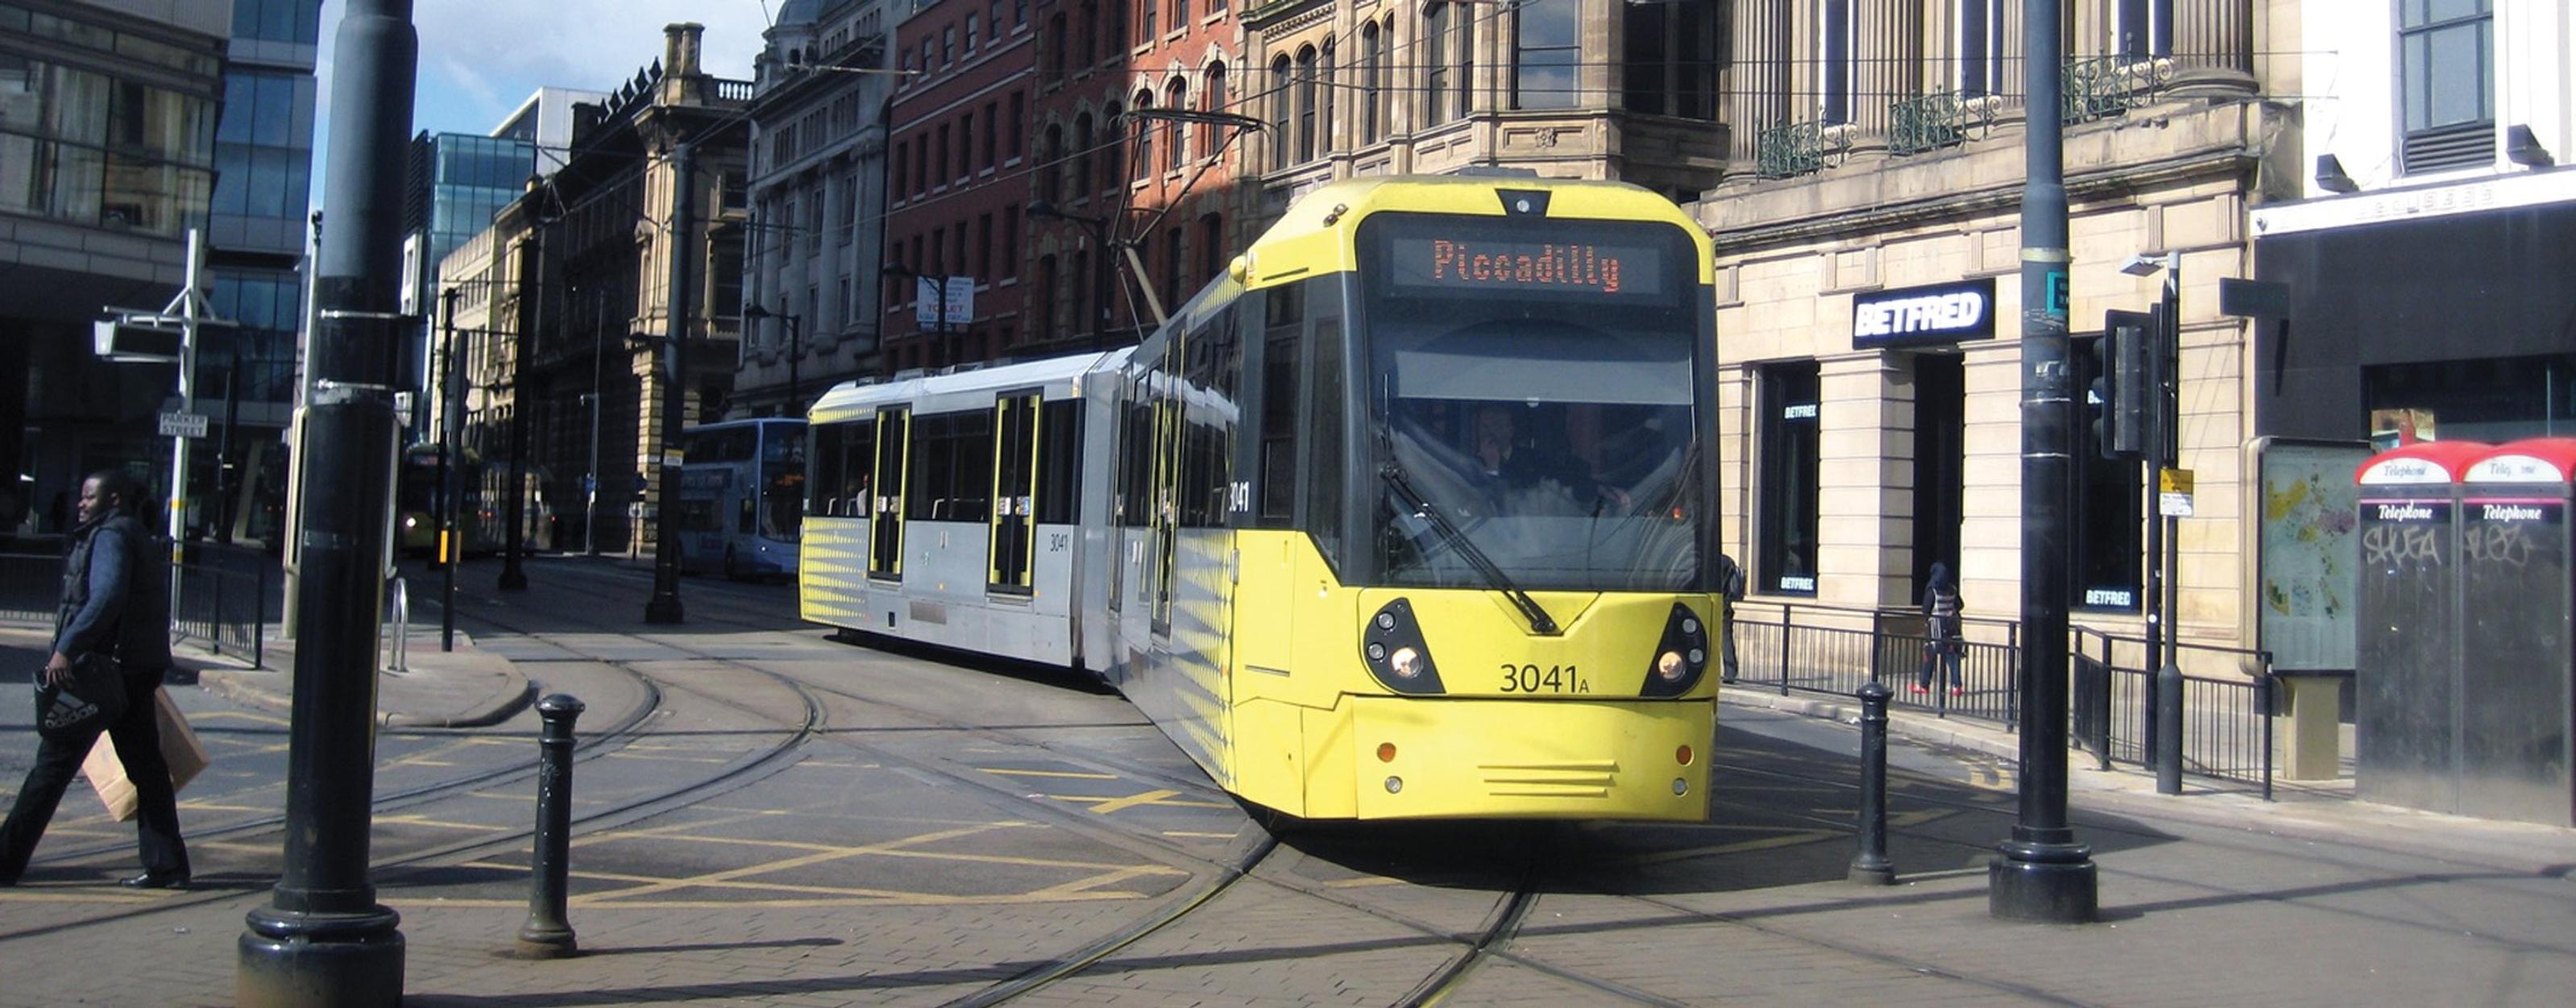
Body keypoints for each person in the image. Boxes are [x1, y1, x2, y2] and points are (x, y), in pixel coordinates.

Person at [0, 470, 190, 889]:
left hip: (100, 672)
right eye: (82, 495)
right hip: (130, 670)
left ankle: (6, 861)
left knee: (51, 768)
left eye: (90, 496)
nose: (82, 502)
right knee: (146, 768)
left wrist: (67, 647)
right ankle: (167, 865)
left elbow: (106, 596)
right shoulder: (129, 532)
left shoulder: (111, 537)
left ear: (114, 499)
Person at [1914, 562, 1964, 696]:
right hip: (1951, 627)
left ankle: (1924, 685)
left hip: (1936, 627)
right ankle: (1957, 686)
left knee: (1929, 655)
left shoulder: (1933, 590)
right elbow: (1960, 605)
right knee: (1952, 656)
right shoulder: (1952, 589)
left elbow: (1926, 609)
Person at [1715, 553, 1744, 683]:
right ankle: (1730, 672)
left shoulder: (1709, 562)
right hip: (1726, 604)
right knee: (1726, 638)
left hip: (1712, 603)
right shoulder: (1728, 562)